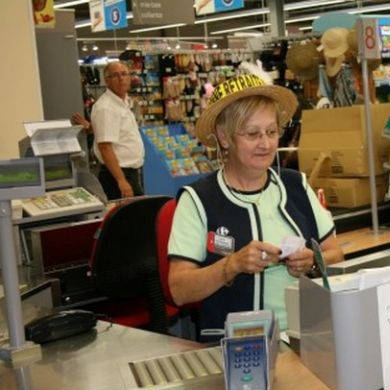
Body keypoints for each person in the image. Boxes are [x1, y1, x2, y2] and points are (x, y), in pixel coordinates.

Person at [167, 73, 344, 342]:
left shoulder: (296, 185)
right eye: (252, 134)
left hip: (307, 336)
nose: (266, 144)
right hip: (236, 348)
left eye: (271, 132)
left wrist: (312, 262)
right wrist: (232, 265)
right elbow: (179, 289)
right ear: (224, 138)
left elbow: (335, 253)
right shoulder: (198, 199)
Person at [90, 61, 144, 200]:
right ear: (107, 81)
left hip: (128, 174)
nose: (121, 78)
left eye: (124, 74)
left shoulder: (123, 103)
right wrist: (121, 181)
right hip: (117, 176)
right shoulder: (106, 107)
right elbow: (105, 147)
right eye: (115, 75)